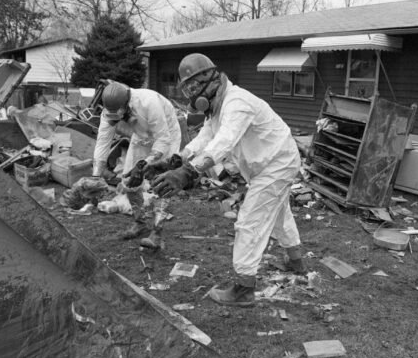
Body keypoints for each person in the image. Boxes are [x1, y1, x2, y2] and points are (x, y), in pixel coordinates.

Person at [152, 53, 306, 307]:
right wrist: (176, 160)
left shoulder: (237, 103)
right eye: (187, 87)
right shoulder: (218, 105)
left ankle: (244, 289)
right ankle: (296, 260)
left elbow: (223, 143)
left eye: (193, 85)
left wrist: (188, 173)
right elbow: (205, 138)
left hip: (277, 164)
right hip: (268, 163)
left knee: (249, 222)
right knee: (279, 214)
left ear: (209, 78)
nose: (191, 92)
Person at [93, 80, 182, 248]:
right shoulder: (109, 112)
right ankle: (140, 222)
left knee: (162, 184)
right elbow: (102, 142)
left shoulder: (149, 102)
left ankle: (156, 232)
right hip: (140, 137)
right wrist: (96, 175)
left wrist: (144, 165)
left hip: (166, 137)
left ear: (126, 104)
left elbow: (163, 140)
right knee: (129, 181)